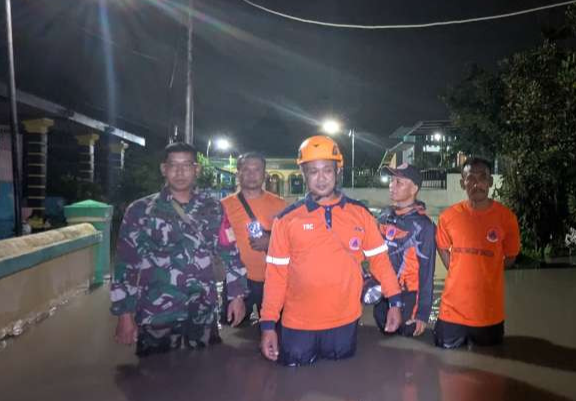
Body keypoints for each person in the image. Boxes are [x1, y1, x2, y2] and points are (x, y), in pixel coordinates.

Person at [259, 135, 404, 365]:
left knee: (343, 384)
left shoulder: (360, 214)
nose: (321, 178)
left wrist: (395, 303)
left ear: (338, 171)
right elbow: (276, 276)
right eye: (313, 171)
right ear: (304, 174)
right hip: (298, 323)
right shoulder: (286, 220)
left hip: (344, 321)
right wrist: (268, 324)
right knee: (293, 385)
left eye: (327, 170)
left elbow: (380, 261)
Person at [112, 142, 248, 356]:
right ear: (163, 169)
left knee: (206, 375)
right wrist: (124, 314)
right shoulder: (140, 210)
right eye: (173, 165)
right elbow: (125, 264)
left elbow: (229, 252)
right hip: (156, 314)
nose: (180, 171)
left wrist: (237, 296)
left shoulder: (213, 208)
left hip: (202, 313)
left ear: (197, 169)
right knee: (154, 378)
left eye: (186, 165)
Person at [434, 157, 520, 349]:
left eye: (482, 178)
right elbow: (441, 245)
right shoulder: (448, 217)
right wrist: (456, 268)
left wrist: (488, 270)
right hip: (451, 313)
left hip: (489, 314)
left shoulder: (507, 218)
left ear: (490, 182)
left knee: (490, 369)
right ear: (462, 183)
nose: (476, 183)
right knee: (446, 368)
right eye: (470, 178)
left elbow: (511, 256)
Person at [221, 152, 287, 324]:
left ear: (264, 175)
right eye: (246, 169)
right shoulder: (224, 206)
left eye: (257, 170)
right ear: (238, 174)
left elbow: (292, 241)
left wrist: (269, 241)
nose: (251, 174)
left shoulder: (280, 205)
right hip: (239, 280)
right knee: (234, 328)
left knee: (277, 328)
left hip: (273, 279)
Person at [375, 163, 436, 337]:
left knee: (407, 330)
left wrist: (422, 314)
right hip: (385, 292)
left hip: (409, 294)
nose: (392, 185)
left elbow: (427, 271)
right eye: (391, 180)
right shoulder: (384, 216)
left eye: (399, 182)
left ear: (414, 188)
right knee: (381, 322)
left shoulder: (424, 226)